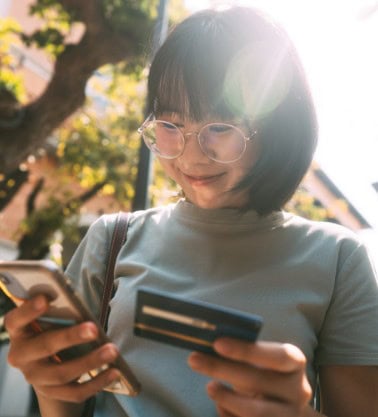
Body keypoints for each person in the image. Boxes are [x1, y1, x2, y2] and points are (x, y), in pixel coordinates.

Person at [4, 6, 378, 417]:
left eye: (220, 128)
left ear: (277, 128)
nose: (191, 155)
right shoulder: (113, 238)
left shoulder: (338, 259)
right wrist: (51, 383)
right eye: (170, 125)